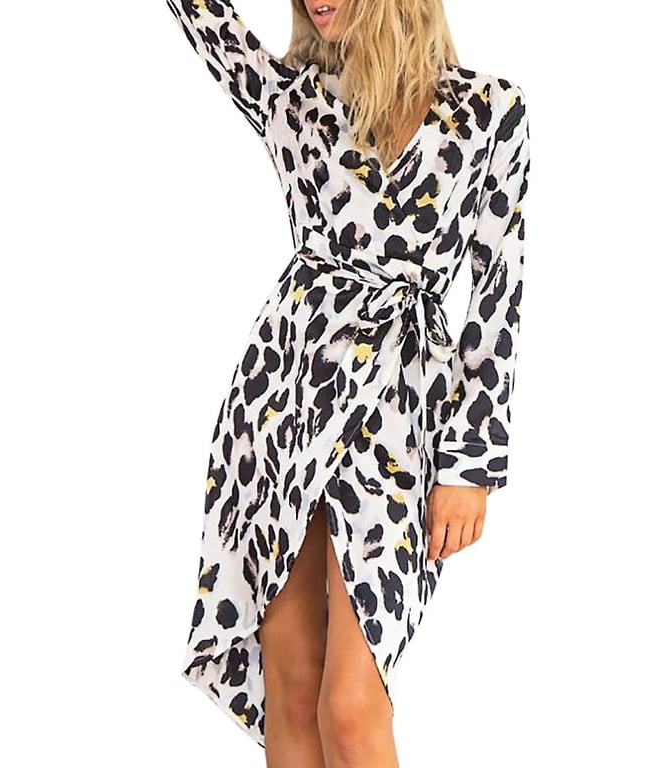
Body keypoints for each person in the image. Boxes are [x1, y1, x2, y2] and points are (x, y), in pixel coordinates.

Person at [165, 0, 531, 764]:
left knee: (352, 707)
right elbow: (203, 18)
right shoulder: (292, 98)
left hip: (401, 412)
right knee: (291, 676)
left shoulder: (491, 112)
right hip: (286, 395)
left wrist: (471, 465)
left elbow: (498, 294)